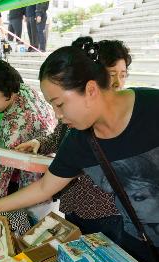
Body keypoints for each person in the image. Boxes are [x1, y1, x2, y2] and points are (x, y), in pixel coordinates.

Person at [0, 41, 159, 262]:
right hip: (138, 245)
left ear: (91, 90)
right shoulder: (79, 139)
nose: (58, 116)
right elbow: (45, 188)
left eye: (59, 104)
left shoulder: (153, 108)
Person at [16, 38, 132, 242]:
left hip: (108, 212)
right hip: (74, 204)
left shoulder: (122, 118)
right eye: (112, 74)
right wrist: (38, 144)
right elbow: (58, 138)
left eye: (123, 75)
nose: (117, 82)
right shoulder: (75, 111)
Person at [0, 59, 55, 215]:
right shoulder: (24, 90)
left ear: (6, 88)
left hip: (35, 190)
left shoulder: (16, 120)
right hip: (49, 177)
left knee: (32, 230)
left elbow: (4, 174)